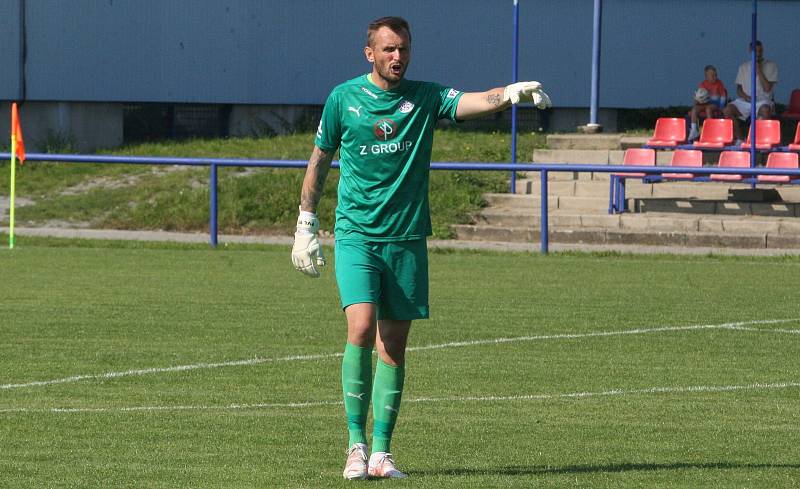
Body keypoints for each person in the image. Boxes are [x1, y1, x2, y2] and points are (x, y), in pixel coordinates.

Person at [290, 16, 551, 480]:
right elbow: (320, 159)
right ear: (369, 52)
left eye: (404, 49)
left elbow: (469, 102)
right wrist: (305, 223)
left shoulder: (425, 96)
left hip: (407, 237)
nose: (398, 57)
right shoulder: (342, 99)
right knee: (362, 325)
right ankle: (354, 444)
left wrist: (507, 93)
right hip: (356, 234)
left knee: (393, 344)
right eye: (389, 49)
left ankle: (382, 454)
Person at [722, 40, 778, 143]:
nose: (758, 53)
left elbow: (767, 88)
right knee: (727, 110)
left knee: (765, 110)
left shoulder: (771, 65)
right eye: (755, 51)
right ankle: (739, 139)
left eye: (760, 51)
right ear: (750, 51)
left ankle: (756, 140)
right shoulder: (743, 67)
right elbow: (738, 88)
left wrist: (759, 70)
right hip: (745, 100)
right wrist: (746, 97)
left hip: (762, 100)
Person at [688, 65, 727, 141]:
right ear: (706, 76)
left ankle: (710, 129)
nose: (715, 77)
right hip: (704, 104)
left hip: (715, 104)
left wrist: (721, 107)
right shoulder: (703, 84)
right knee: (694, 109)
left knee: (708, 109)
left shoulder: (719, 83)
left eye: (716, 75)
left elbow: (723, 96)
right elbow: (699, 97)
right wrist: (695, 104)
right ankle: (694, 130)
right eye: (712, 76)